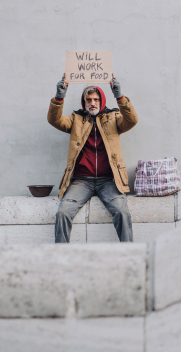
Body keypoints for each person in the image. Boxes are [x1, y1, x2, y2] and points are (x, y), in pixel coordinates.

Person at [47, 73, 138, 242]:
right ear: (84, 102)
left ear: (101, 101)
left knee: (122, 212)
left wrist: (119, 95)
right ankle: (59, 257)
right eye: (89, 100)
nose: (92, 103)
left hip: (109, 181)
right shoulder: (76, 119)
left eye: (96, 99)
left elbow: (132, 120)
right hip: (82, 181)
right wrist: (60, 96)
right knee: (63, 213)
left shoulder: (114, 117)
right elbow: (55, 120)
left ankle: (130, 253)